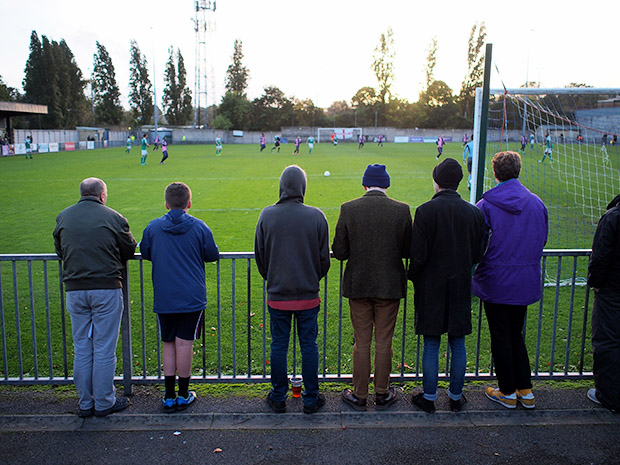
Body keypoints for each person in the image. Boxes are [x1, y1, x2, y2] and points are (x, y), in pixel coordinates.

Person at [53, 177, 137, 417]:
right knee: (103, 347)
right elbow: (129, 249)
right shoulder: (113, 217)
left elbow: (60, 250)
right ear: (102, 195)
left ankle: (85, 402)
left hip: (74, 288)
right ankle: (103, 402)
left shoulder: (64, 217)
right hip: (106, 287)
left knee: (81, 346)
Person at [408, 159, 487, 413]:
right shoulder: (474, 212)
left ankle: (430, 398)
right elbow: (478, 252)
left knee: (432, 342)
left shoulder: (425, 211)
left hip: (431, 286)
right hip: (460, 283)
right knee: (457, 341)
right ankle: (455, 397)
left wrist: (414, 276)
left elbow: (417, 255)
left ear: (436, 181)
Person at [332, 164, 412, 411]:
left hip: (359, 285)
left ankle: (359, 394)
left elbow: (340, 251)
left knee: (362, 342)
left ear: (365, 185)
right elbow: (409, 250)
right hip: (389, 286)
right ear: (386, 185)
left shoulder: (349, 209)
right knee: (384, 341)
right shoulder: (401, 210)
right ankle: (382, 392)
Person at [472, 151, 548, 409]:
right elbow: (542, 239)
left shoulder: (486, 205)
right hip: (524, 279)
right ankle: (524, 390)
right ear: (518, 170)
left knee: (501, 335)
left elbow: (478, 244)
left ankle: (507, 391)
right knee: (516, 334)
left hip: (495, 280)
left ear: (495, 173)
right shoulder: (536, 203)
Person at [254, 165, 331, 414]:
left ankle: (278, 397)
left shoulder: (267, 215)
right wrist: (309, 278)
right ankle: (310, 399)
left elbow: (260, 257)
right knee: (308, 345)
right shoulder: (317, 216)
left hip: (278, 295)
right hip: (307, 294)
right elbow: (324, 261)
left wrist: (274, 278)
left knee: (279, 344)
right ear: (303, 187)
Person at [140, 182, 219, 413]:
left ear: (166, 204)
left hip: (165, 295)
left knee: (168, 342)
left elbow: (146, 252)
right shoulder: (199, 227)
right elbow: (212, 254)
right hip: (191, 296)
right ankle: (183, 394)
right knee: (185, 343)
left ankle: (169, 395)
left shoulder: (153, 228)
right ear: (189, 204)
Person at [586, 194, 620, 412]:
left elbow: (600, 255)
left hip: (613, 291)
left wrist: (596, 283)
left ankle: (610, 396)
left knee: (608, 340)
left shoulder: (613, 218)